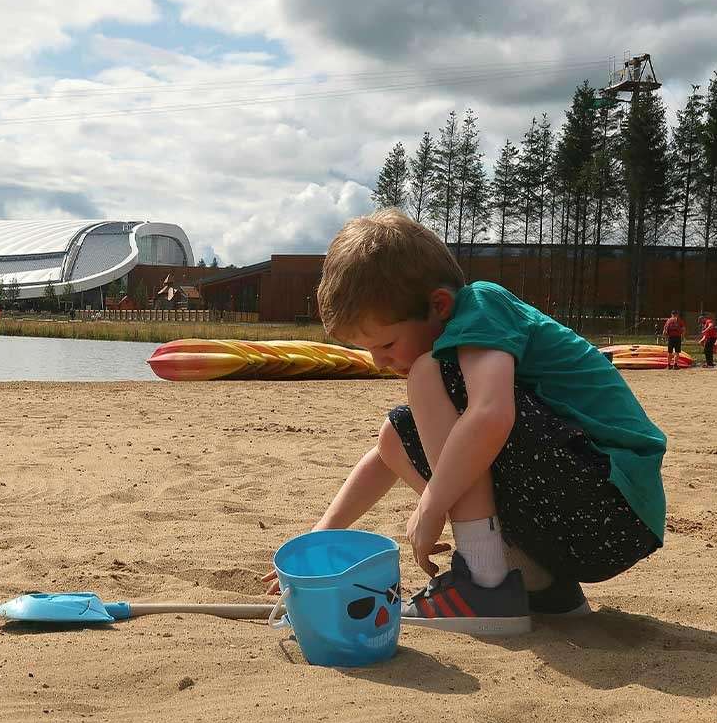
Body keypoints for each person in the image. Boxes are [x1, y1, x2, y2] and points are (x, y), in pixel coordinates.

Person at [263, 209, 666, 635]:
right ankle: (542, 586)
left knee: (425, 375)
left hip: (609, 503)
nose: (380, 362)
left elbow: (492, 414)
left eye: (386, 344)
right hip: (596, 520)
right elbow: (388, 452)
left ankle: (484, 580)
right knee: (397, 434)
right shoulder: (463, 338)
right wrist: (320, 539)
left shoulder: (483, 304)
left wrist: (431, 504)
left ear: (439, 305)